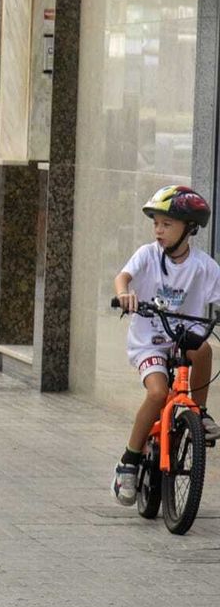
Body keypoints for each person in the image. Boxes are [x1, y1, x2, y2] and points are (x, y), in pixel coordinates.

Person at [112, 185, 220, 500]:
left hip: (182, 340)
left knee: (203, 349)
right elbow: (123, 277)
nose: (159, 230)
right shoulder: (147, 255)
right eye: (156, 223)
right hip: (149, 342)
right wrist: (125, 294)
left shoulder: (203, 266)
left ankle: (197, 413)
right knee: (158, 393)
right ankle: (129, 463)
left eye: (167, 224)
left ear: (189, 229)